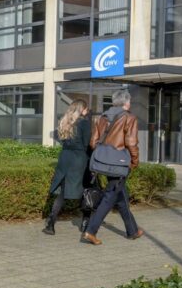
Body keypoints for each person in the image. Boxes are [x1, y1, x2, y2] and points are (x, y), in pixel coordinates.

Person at [82, 90, 145, 245]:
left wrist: (105, 154)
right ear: (126, 102)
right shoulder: (129, 118)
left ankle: (132, 230)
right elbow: (131, 143)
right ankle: (91, 231)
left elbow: (93, 142)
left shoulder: (102, 117)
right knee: (110, 197)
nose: (130, 103)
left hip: (104, 163)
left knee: (120, 195)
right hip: (120, 164)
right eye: (129, 101)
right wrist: (135, 162)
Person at [43, 100, 91, 235]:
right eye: (86, 109)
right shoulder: (84, 123)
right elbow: (87, 143)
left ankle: (50, 224)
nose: (87, 111)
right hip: (79, 159)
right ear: (82, 110)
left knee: (62, 194)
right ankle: (85, 223)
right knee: (85, 191)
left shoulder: (65, 122)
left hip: (65, 158)